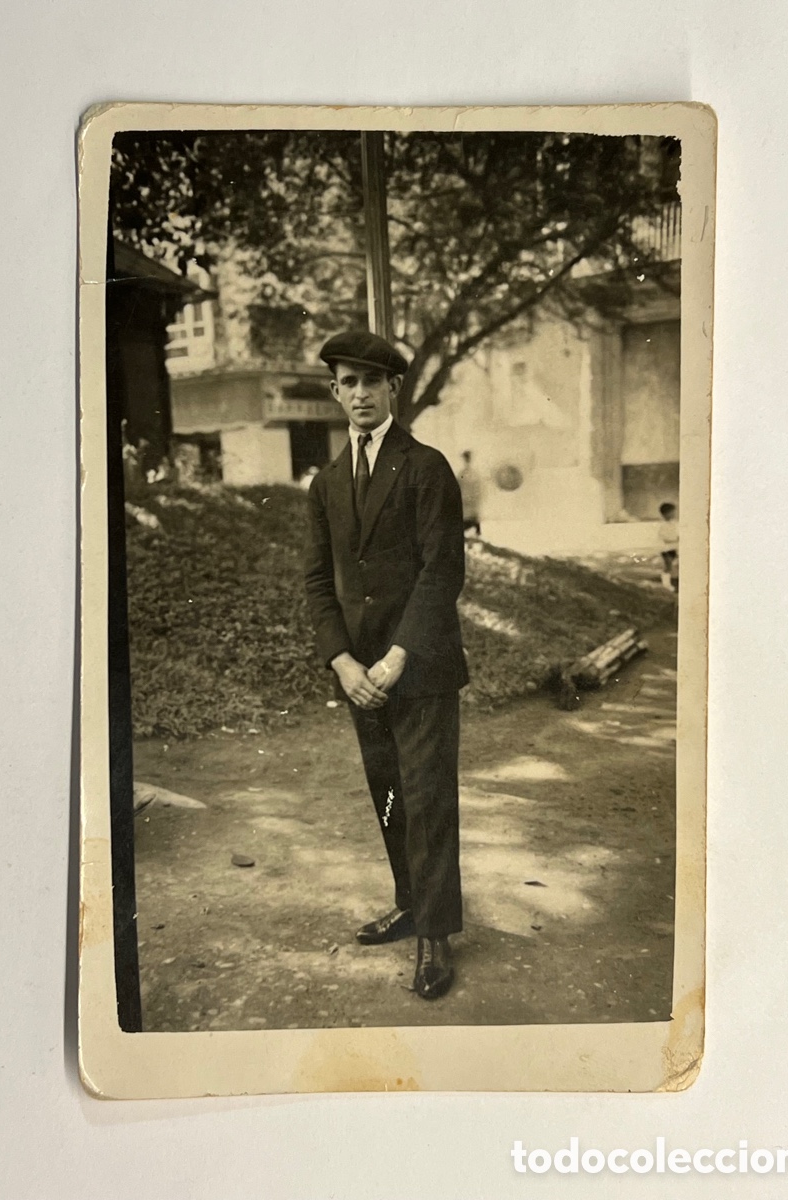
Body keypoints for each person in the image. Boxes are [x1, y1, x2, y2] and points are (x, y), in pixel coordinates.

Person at [304, 330, 468, 1001]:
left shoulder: (426, 467)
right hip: (360, 678)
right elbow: (318, 582)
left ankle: (434, 935)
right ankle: (409, 905)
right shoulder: (326, 482)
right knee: (390, 796)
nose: (360, 394)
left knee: (426, 798)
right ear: (336, 392)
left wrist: (399, 656)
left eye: (373, 381)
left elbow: (441, 572)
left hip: (418, 669)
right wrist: (342, 661)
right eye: (348, 382)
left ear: (392, 388)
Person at [457, 449, 482, 536]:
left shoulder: (469, 473)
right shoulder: (463, 474)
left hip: (469, 503)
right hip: (466, 503)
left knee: (471, 518)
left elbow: (477, 488)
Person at [658, 501, 679, 592]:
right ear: (665, 514)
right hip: (666, 549)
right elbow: (664, 538)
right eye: (672, 512)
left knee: (675, 565)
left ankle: (674, 581)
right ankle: (666, 585)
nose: (674, 514)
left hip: (674, 548)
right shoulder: (663, 525)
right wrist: (676, 539)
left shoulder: (674, 523)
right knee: (668, 567)